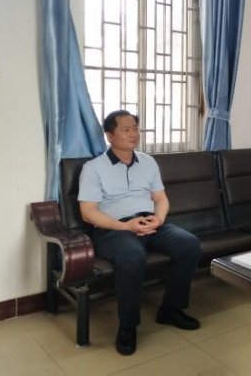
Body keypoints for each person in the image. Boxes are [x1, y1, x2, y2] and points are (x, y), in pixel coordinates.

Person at [78, 110, 202, 355]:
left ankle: (170, 309)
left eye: (135, 128)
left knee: (190, 245)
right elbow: (88, 212)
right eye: (126, 129)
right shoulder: (93, 168)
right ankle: (128, 327)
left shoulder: (148, 162)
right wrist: (126, 226)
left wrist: (159, 219)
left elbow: (160, 198)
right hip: (115, 230)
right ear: (110, 136)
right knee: (132, 257)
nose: (133, 133)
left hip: (151, 223)